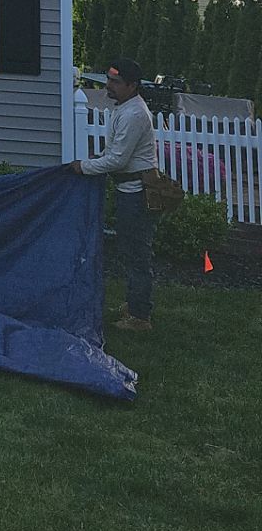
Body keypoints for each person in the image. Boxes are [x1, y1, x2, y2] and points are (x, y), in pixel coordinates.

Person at [72, 57, 158, 332]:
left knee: (137, 254)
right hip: (128, 190)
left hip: (137, 194)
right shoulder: (124, 108)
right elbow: (113, 153)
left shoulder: (134, 114)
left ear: (132, 86)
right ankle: (135, 304)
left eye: (115, 81)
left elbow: (118, 161)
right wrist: (96, 159)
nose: (108, 85)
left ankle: (140, 317)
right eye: (108, 78)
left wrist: (83, 167)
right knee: (131, 251)